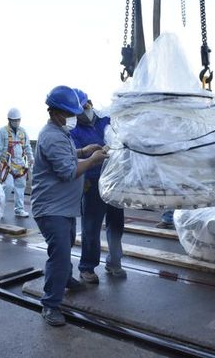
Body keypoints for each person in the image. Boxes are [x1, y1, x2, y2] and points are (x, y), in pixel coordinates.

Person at [31, 85, 108, 326]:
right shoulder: (52, 136)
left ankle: (65, 280)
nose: (75, 117)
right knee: (60, 256)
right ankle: (50, 304)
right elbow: (67, 172)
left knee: (65, 247)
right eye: (71, 113)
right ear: (56, 112)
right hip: (51, 209)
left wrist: (83, 150)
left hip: (62, 208)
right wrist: (92, 160)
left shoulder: (58, 132)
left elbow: (66, 155)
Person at [70, 89, 126, 284]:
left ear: (91, 104)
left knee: (116, 223)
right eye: (78, 110)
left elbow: (121, 134)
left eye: (85, 106)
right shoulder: (74, 130)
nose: (83, 111)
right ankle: (87, 267)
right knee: (91, 227)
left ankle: (114, 262)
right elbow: (75, 157)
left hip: (115, 179)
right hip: (92, 182)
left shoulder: (105, 120)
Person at [0, 107, 34, 217]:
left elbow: (27, 146)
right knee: (8, 186)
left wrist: (31, 158)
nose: (16, 122)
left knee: (21, 187)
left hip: (21, 165)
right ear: (9, 120)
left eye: (18, 120)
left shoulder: (23, 132)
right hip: (8, 165)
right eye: (14, 120)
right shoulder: (2, 132)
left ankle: (19, 209)